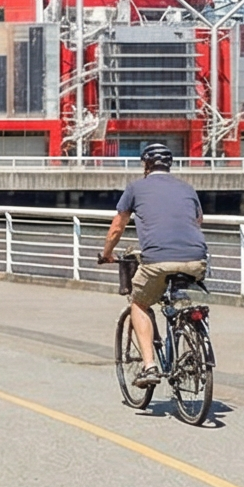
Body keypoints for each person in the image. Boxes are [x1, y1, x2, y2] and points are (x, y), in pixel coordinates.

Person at [95, 142, 207, 383]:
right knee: (176, 293)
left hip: (158, 260)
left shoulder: (136, 187)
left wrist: (106, 254)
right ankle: (189, 338)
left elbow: (117, 227)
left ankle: (149, 367)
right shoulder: (187, 188)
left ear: (145, 165)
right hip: (197, 259)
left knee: (139, 303)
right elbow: (197, 222)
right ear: (170, 165)